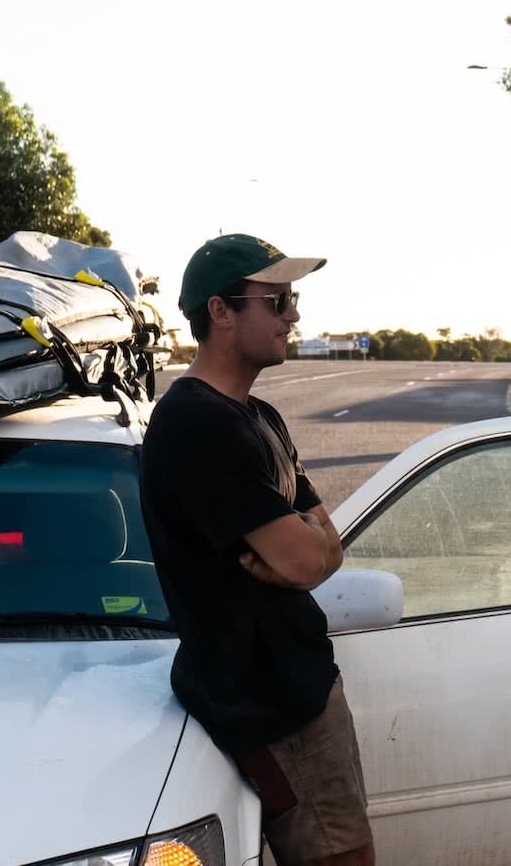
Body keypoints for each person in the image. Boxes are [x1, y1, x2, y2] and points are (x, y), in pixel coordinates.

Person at [140, 233, 375, 866]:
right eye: (277, 301)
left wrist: (307, 557)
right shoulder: (196, 423)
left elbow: (325, 545)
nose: (293, 315)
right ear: (221, 312)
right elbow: (305, 559)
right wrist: (305, 558)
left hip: (300, 681)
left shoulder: (258, 416)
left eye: (291, 299)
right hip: (270, 700)